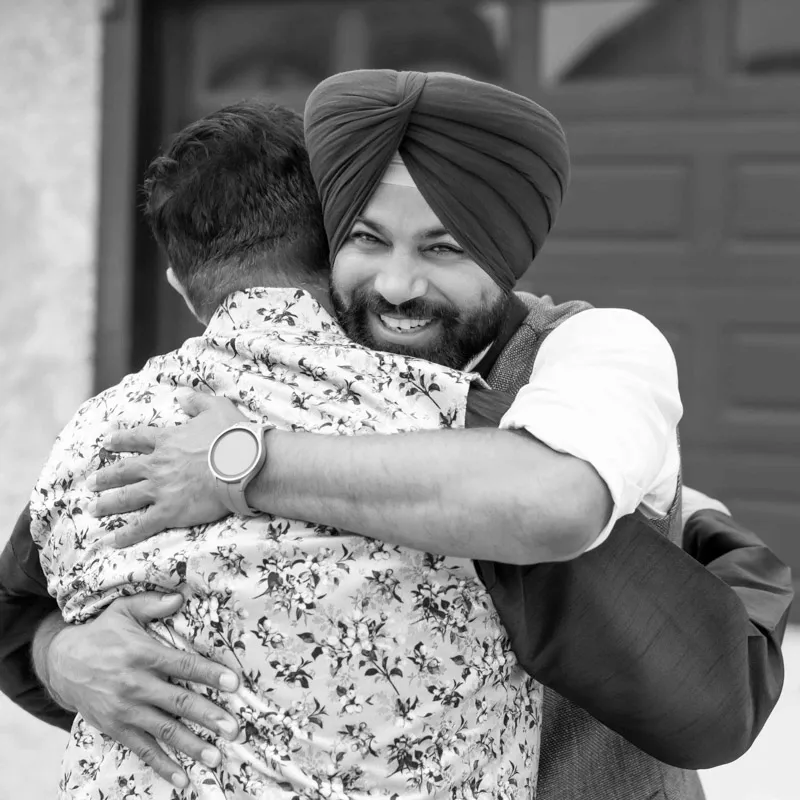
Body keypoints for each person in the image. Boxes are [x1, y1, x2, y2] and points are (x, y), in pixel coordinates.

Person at [0, 74, 791, 798]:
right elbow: (17, 601)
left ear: (509, 250)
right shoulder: (257, 374)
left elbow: (550, 502)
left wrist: (239, 461)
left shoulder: (596, 352)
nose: (399, 286)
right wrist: (62, 660)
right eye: (366, 240)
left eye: (444, 248)